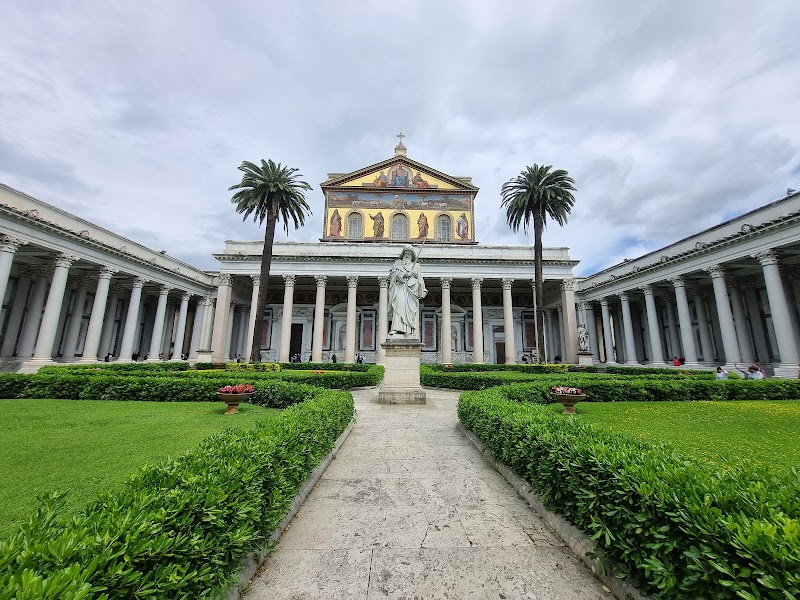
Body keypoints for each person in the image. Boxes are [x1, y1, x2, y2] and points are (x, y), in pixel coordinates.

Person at [388, 245, 427, 336]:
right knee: (399, 307)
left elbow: (420, 279)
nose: (407, 255)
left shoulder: (416, 266)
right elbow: (392, 274)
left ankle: (408, 329)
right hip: (400, 288)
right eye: (406, 253)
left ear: (412, 256)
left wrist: (423, 290)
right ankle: (396, 328)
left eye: (409, 254)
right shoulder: (398, 263)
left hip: (411, 291)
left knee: (410, 311)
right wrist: (405, 274)